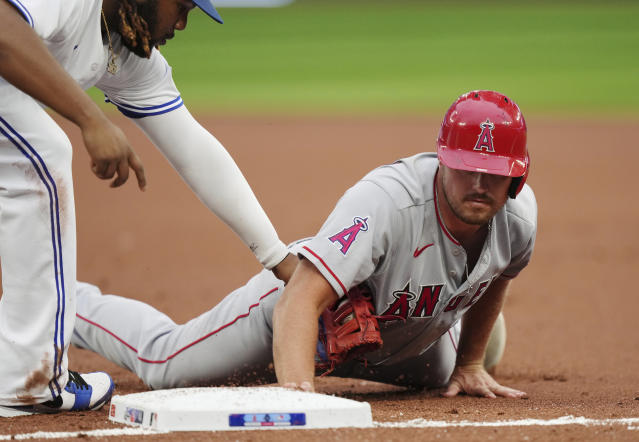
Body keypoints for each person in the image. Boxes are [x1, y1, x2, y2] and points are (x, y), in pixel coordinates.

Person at [70, 90, 536, 398]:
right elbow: (299, 299)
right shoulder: (386, 202)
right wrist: (298, 396)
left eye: (494, 172)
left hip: (407, 336)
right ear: (441, 159)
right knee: (166, 365)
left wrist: (470, 362)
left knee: (444, 371)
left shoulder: (518, 220)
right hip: (297, 314)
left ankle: (466, 336)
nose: (479, 182)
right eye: (465, 166)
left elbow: (497, 275)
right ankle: (69, 305)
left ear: (517, 174)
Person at [0, 0, 296, 415]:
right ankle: (26, 383)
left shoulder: (127, 56)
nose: (180, 24)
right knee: (43, 155)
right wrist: (91, 119)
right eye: (180, 7)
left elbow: (195, 152)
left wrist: (279, 258)